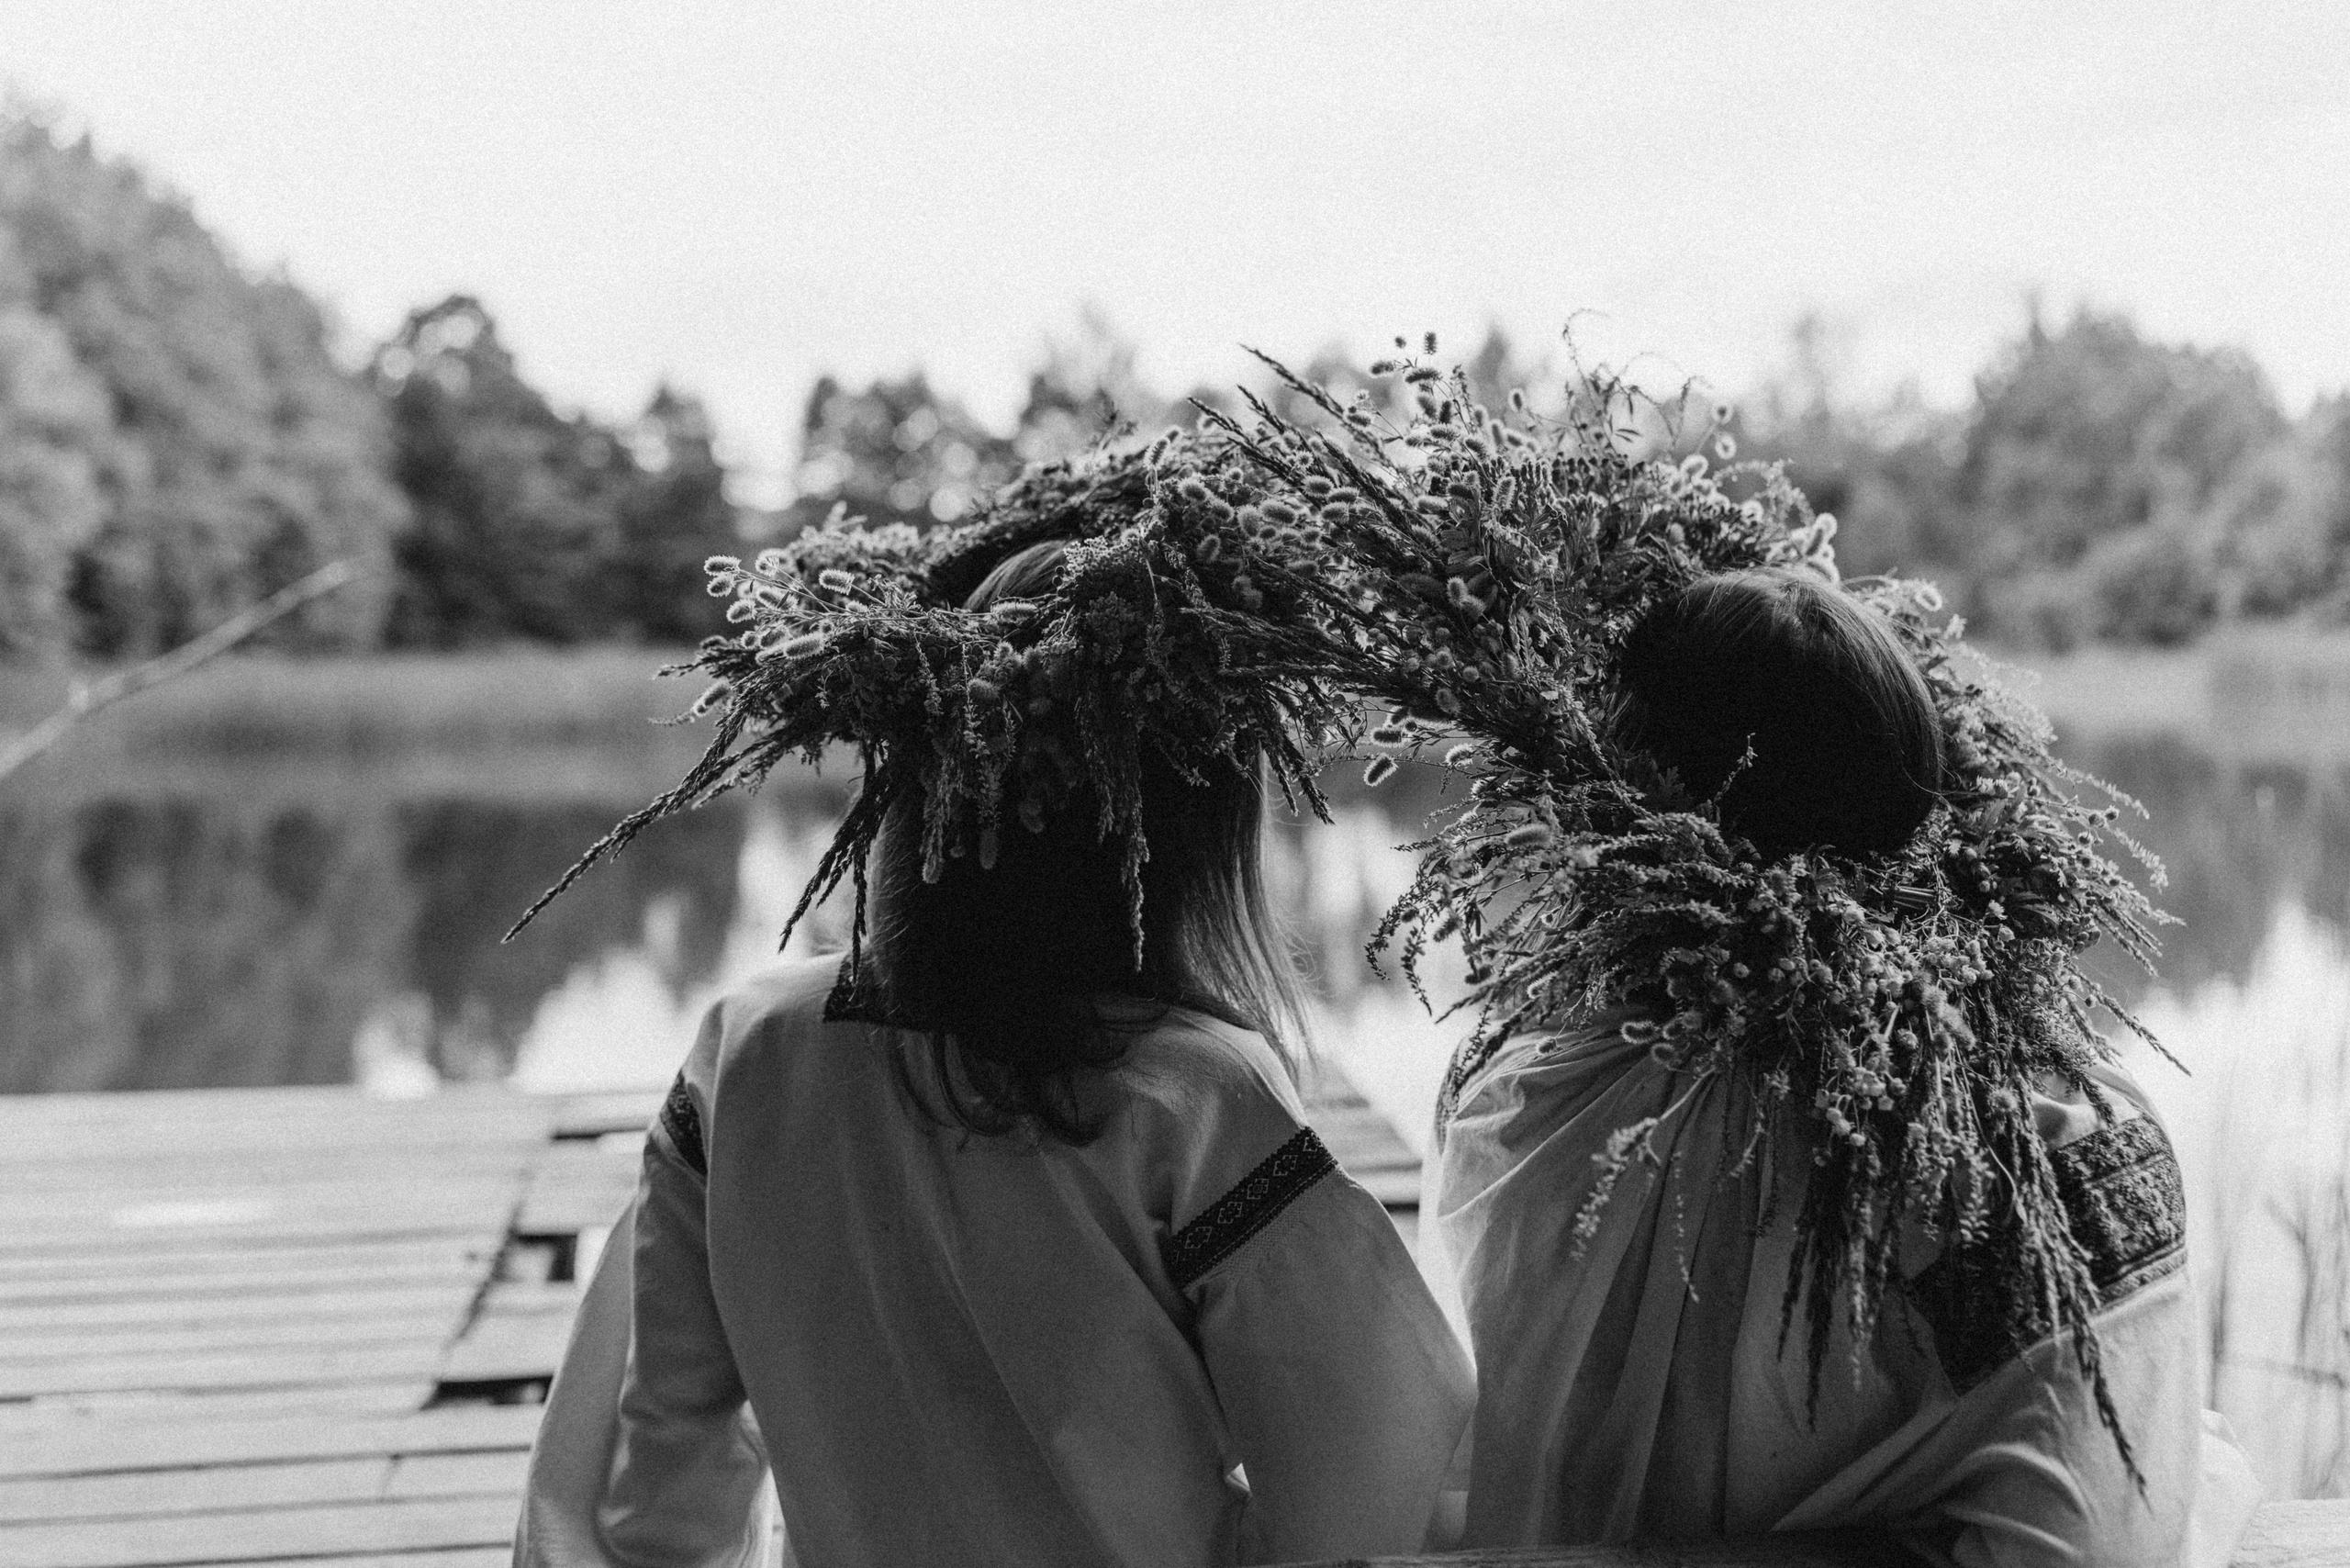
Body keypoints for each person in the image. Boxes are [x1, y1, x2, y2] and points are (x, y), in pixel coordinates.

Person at [516, 540, 1474, 1568]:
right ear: (1198, 829)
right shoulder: (1192, 1098)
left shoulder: (746, 1049)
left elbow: (664, 1464)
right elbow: (1382, 1478)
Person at [1427, 568, 2259, 1565]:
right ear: (1923, 797)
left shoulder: (1532, 1102)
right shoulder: (2048, 1142)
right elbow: (2108, 1521)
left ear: (1617, 816)